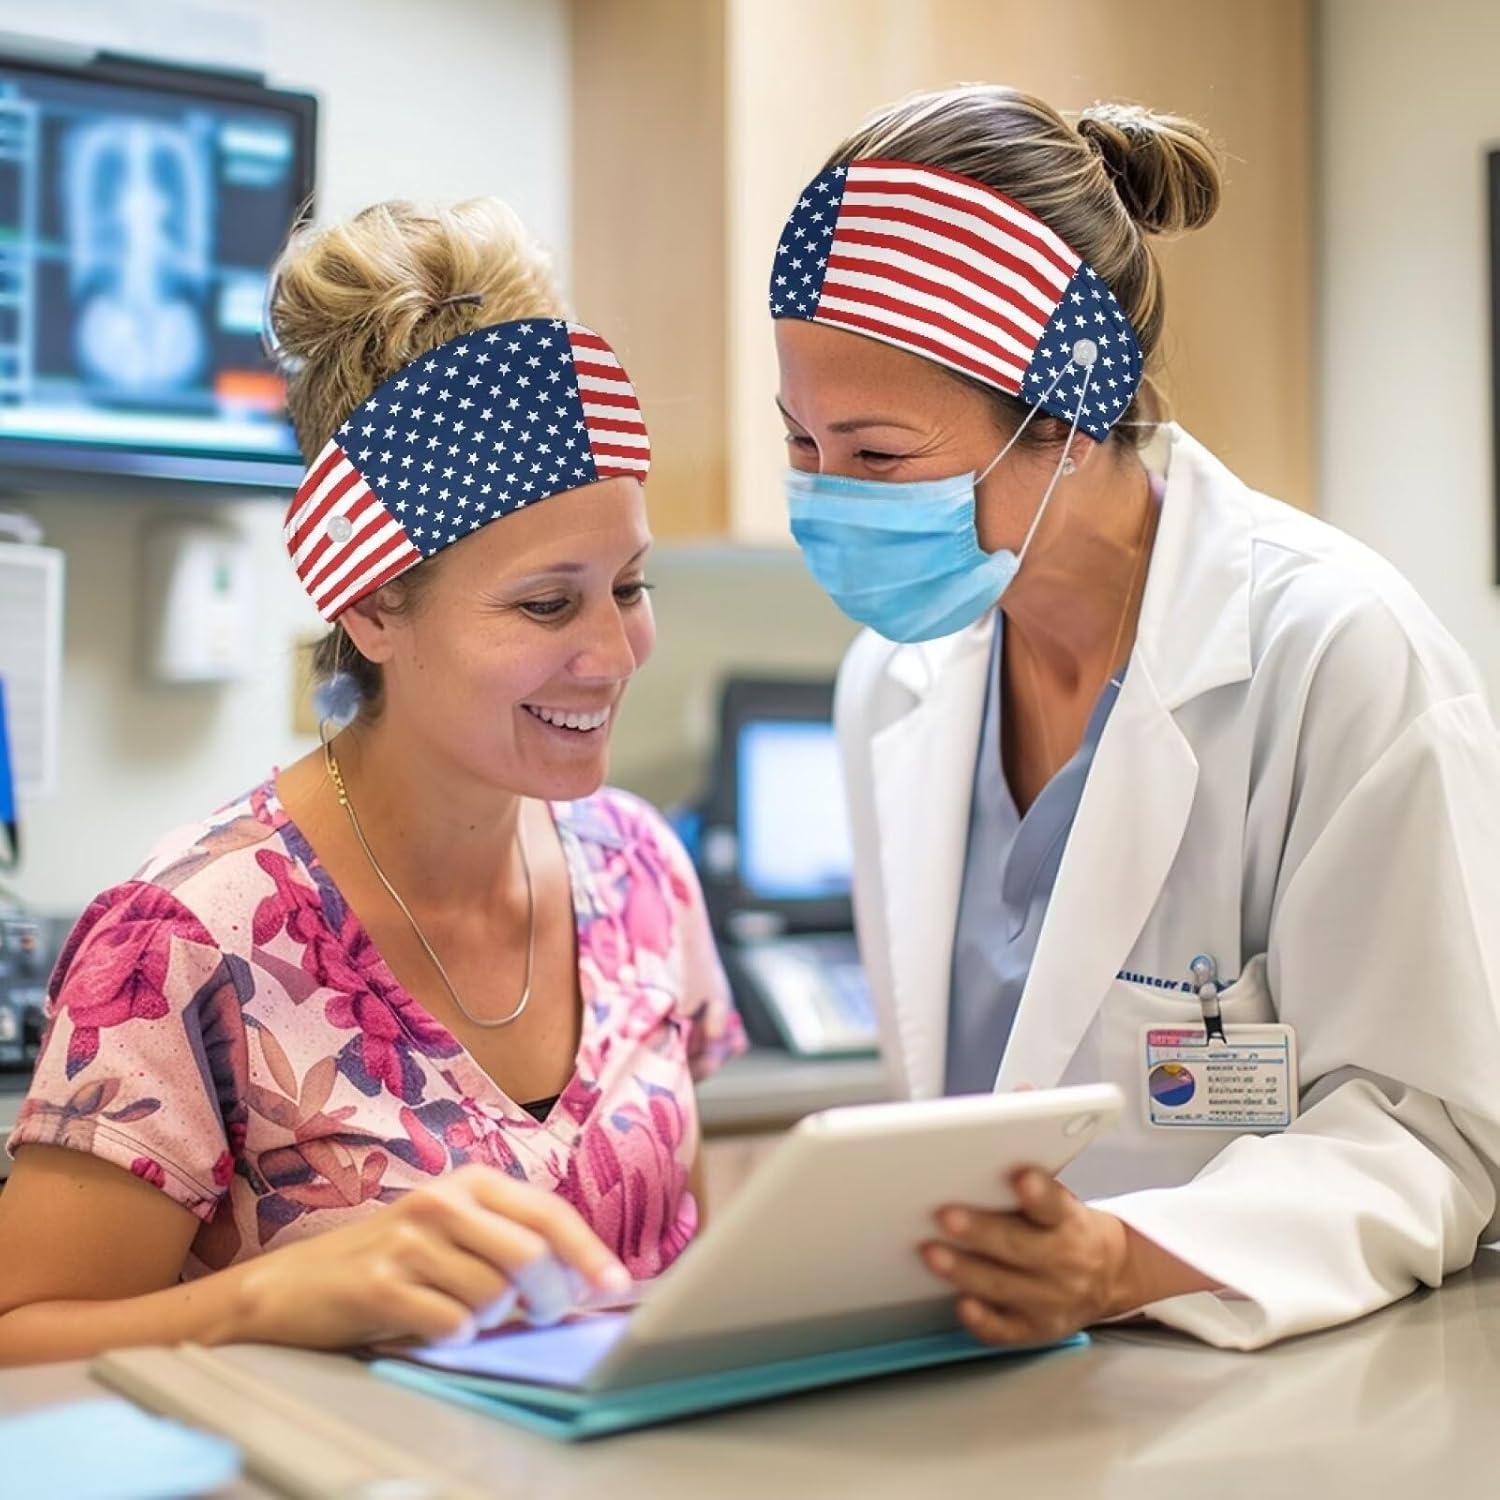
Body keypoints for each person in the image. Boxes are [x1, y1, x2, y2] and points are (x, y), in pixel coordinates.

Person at [769, 85, 1500, 1349]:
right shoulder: (891, 682)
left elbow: (1421, 1125)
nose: (829, 502)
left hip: (1269, 1408)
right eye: (801, 443)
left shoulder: (1335, 653)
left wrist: (1125, 1260)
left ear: (1062, 424)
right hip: (1001, 1390)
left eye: (878, 456)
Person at [0, 197, 744, 1365]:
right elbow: (20, 1338)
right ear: (372, 607)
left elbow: (682, 1256)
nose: (611, 653)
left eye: (630, 587)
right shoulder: (187, 941)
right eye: (547, 603)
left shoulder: (642, 868)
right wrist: (266, 1299)